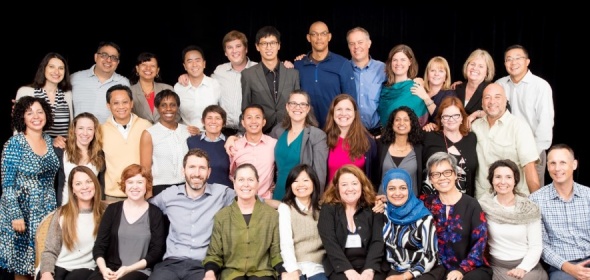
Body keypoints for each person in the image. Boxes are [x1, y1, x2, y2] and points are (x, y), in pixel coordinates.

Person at [148, 148, 236, 280]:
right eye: (192, 167)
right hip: (171, 264)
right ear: (183, 171)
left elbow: (252, 199)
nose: (197, 173)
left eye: (202, 168)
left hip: (203, 265)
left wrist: (279, 206)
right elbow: (144, 208)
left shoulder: (221, 193)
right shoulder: (169, 195)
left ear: (209, 172)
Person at [0, 96, 60, 280]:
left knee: (44, 263)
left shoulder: (50, 141)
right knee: (23, 265)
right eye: (29, 112)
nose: (36, 116)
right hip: (21, 212)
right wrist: (16, 215)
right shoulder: (14, 144)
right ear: (22, 117)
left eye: (40, 111)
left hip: (47, 210)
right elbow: (7, 184)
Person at [203, 163, 286, 280]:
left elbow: (276, 253)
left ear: (258, 183)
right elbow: (214, 254)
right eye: (241, 180)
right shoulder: (222, 217)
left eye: (250, 180)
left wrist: (283, 272)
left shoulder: (271, 215)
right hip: (231, 274)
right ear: (234, 183)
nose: (246, 184)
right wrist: (210, 273)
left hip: (263, 273)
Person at [421, 152, 492, 280]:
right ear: (431, 179)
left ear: (455, 174)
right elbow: (402, 202)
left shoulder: (472, 205)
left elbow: (480, 243)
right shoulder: (425, 204)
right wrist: (382, 202)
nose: (442, 178)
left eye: (447, 172)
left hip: (470, 268)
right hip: (437, 269)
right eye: (436, 174)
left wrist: (461, 270)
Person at [89, 164, 166, 280]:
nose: (135, 187)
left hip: (139, 271)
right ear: (124, 185)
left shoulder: (155, 214)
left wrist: (128, 269)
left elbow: (156, 252)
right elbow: (99, 245)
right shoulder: (112, 210)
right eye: (130, 182)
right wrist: (104, 270)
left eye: (140, 182)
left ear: (147, 185)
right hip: (110, 269)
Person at [496, 44, 554, 187]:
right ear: (505, 64)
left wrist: (533, 155)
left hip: (533, 151)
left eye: (518, 58)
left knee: (533, 196)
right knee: (506, 195)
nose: (513, 62)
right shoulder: (500, 84)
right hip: (504, 150)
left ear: (527, 61)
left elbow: (545, 122)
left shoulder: (540, 86)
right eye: (509, 59)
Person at [478, 159, 547, 280]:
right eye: (498, 177)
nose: (503, 182)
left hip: (528, 266)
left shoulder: (529, 208)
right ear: (492, 180)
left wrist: (523, 268)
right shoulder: (484, 206)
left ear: (515, 180)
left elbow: (536, 246)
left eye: (508, 177)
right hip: (498, 266)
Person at [529, 144, 590, 280]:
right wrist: (570, 268)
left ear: (574, 164)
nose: (557, 168)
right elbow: (541, 245)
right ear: (547, 166)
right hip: (562, 266)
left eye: (563, 162)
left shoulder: (588, 195)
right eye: (552, 163)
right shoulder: (536, 200)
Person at [37, 166, 107, 280]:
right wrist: (46, 273)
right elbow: (50, 250)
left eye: (89, 181)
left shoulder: (105, 213)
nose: (85, 187)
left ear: (95, 184)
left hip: (86, 269)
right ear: (73, 189)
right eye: (78, 183)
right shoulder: (62, 213)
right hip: (59, 266)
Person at [471, 83, 539, 199]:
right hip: (482, 199)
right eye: (487, 97)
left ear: (506, 100)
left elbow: (529, 168)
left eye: (497, 97)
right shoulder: (475, 127)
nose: (492, 101)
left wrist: (537, 204)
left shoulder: (519, 127)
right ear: (482, 102)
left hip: (513, 200)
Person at [317, 164, 386, 280]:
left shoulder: (374, 206)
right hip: (339, 266)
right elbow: (329, 242)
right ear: (337, 187)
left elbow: (378, 241)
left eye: (354, 183)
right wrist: (348, 271)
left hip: (371, 263)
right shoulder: (328, 208)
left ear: (362, 186)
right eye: (344, 185)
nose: (350, 188)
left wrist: (369, 270)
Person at [381, 168, 444, 280]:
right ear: (385, 190)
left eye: (403, 188)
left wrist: (406, 276)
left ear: (409, 189)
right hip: (396, 268)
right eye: (391, 188)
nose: (397, 193)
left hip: (424, 269)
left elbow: (431, 255)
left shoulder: (423, 217)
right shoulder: (384, 212)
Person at [294, 21, 356, 129]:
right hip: (307, 129)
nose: (319, 38)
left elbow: (350, 100)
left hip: (335, 128)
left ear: (329, 37)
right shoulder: (299, 65)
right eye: (314, 34)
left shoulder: (342, 64)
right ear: (308, 38)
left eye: (323, 34)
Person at [241, 25, 301, 134]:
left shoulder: (293, 73)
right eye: (264, 43)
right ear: (257, 47)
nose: (269, 47)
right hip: (261, 132)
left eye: (273, 43)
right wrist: (241, 134)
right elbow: (245, 107)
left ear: (279, 45)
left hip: (289, 131)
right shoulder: (248, 74)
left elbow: (298, 104)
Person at [269, 90, 328, 199]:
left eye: (302, 104)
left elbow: (320, 175)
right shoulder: (277, 131)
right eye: (293, 103)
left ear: (308, 108)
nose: (298, 107)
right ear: (287, 106)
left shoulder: (317, 136)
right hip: (278, 193)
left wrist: (315, 203)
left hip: (302, 196)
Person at [101, 84, 152, 201]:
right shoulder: (101, 130)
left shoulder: (146, 126)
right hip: (113, 195)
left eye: (125, 102)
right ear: (108, 106)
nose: (121, 106)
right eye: (116, 103)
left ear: (132, 103)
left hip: (141, 192)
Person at [277, 164, 327, 280]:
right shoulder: (285, 208)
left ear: (313, 183)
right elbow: (286, 243)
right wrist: (293, 270)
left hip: (318, 267)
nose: (301, 185)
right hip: (294, 266)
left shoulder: (322, 208)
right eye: (295, 181)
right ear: (290, 185)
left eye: (305, 180)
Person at [422, 96, 477, 197]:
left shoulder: (471, 139)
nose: (451, 119)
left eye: (456, 115)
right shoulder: (428, 137)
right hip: (433, 202)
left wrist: (479, 113)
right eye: (446, 116)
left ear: (462, 118)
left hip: (464, 202)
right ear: (441, 119)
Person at [139, 89, 190, 197]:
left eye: (172, 105)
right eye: (163, 105)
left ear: (177, 107)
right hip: (160, 188)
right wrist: (148, 195)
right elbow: (145, 169)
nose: (168, 109)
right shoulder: (149, 134)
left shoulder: (187, 131)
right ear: (157, 108)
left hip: (185, 187)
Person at [15, 52, 73, 144]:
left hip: (62, 151)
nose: (56, 72)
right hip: (34, 149)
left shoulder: (67, 95)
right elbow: (17, 127)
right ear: (44, 68)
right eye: (51, 67)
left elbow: (71, 128)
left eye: (61, 68)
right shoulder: (26, 92)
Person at [71, 41, 131, 123]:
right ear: (96, 57)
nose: (109, 60)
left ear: (118, 63)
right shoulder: (75, 78)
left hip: (110, 134)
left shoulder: (125, 83)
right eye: (104, 55)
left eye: (114, 58)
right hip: (78, 134)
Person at [54, 112, 105, 206]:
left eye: (90, 129)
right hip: (66, 208)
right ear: (74, 130)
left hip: (91, 210)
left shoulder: (99, 154)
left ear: (95, 132)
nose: (85, 133)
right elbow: (55, 183)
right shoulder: (61, 151)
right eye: (81, 128)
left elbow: (100, 185)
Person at [229, 104, 277, 199]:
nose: (253, 121)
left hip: (267, 201)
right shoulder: (234, 146)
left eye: (257, 117)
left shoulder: (273, 144)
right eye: (249, 118)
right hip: (242, 200)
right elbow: (232, 174)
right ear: (243, 122)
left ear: (264, 122)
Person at [346, 27, 386, 136]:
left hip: (378, 133)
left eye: (360, 42)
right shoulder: (342, 69)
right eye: (352, 43)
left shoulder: (384, 69)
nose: (356, 47)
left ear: (369, 43)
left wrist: (418, 80)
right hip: (351, 134)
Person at [377, 44, 428, 128]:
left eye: (403, 60)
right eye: (395, 60)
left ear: (410, 62)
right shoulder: (384, 89)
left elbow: (420, 121)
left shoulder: (416, 88)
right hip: (385, 138)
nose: (398, 63)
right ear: (390, 62)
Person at [174, 45, 220, 136]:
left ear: (204, 63)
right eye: (190, 61)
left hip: (211, 135)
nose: (194, 65)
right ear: (185, 66)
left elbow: (222, 113)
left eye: (198, 60)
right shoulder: (178, 87)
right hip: (185, 136)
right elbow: (175, 115)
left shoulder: (215, 85)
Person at [378, 106, 424, 196]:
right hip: (382, 203)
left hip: (410, 205)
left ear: (412, 123)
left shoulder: (419, 148)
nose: (401, 123)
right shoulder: (380, 146)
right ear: (392, 123)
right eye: (397, 120)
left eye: (406, 120)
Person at [186, 105, 232, 187]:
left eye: (218, 118)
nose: (213, 121)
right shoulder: (191, 142)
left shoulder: (230, 143)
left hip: (225, 193)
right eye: (209, 118)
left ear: (224, 123)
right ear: (203, 121)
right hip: (198, 193)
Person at [411, 56, 456, 130]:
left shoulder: (450, 94)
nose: (436, 74)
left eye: (441, 71)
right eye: (432, 70)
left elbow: (443, 117)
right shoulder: (420, 88)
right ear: (427, 75)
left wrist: (425, 97)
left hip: (436, 134)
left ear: (446, 77)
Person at [129, 52, 174, 124]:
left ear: (157, 70)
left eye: (152, 66)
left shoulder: (168, 89)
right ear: (137, 68)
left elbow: (177, 114)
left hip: (166, 132)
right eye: (144, 65)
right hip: (140, 133)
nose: (148, 68)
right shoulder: (129, 92)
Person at [454, 49, 495, 124]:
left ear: (487, 72)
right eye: (472, 64)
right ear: (467, 66)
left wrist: (476, 114)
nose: (475, 68)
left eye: (481, 66)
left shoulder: (491, 89)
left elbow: (503, 110)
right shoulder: (456, 88)